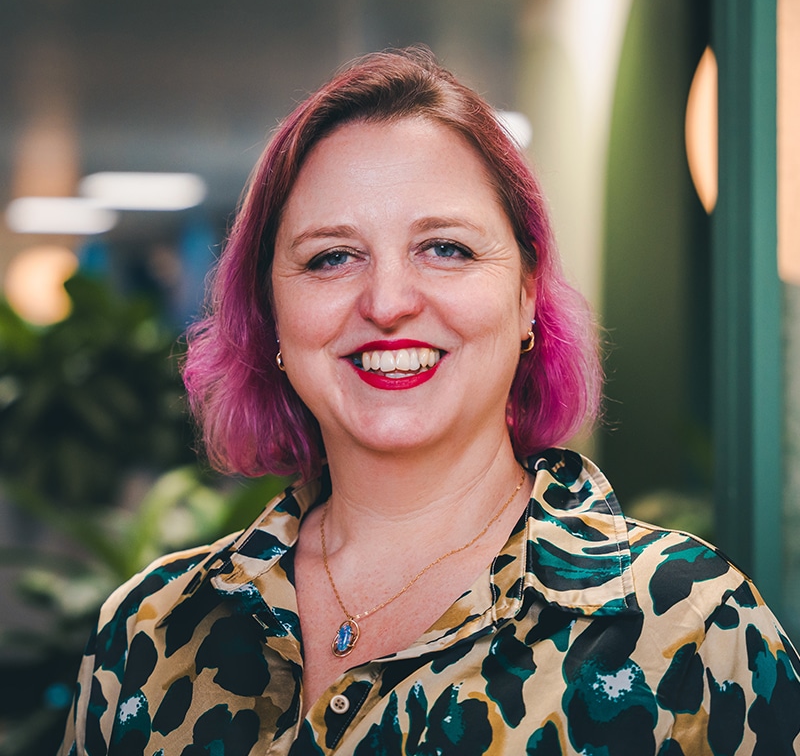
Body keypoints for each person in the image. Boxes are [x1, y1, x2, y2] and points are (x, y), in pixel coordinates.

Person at [59, 47, 800, 756]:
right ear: (271, 312)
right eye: (331, 257)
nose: (386, 303)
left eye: (445, 248)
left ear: (526, 295)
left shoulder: (690, 626)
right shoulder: (150, 635)